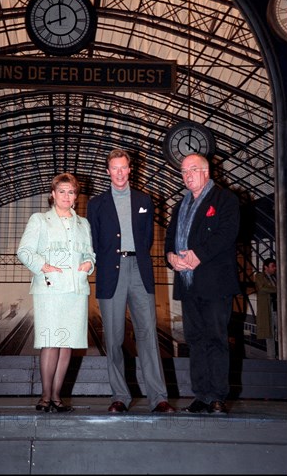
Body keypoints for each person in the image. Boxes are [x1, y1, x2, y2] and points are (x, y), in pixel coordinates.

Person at [87, 148, 175, 413]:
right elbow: (94, 241)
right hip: (110, 274)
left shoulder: (144, 200)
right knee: (113, 338)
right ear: (108, 171)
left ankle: (158, 396)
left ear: (130, 169)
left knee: (148, 335)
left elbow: (147, 239)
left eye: (124, 167)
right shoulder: (96, 204)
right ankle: (119, 397)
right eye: (115, 168)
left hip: (139, 270)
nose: (120, 173)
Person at [165, 154, 241, 415]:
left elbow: (226, 234)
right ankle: (201, 395)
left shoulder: (225, 199)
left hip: (215, 283)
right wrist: (171, 258)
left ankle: (218, 396)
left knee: (216, 338)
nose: (187, 175)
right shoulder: (180, 205)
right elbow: (169, 240)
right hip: (188, 283)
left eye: (193, 170)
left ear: (207, 172)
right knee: (195, 340)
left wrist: (198, 255)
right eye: (184, 171)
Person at [17, 173, 95, 413]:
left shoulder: (83, 223)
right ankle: (45, 396)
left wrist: (88, 264)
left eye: (71, 192)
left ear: (76, 196)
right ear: (52, 195)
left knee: (67, 345)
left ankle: (58, 397)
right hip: (50, 290)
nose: (66, 196)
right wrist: (42, 266)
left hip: (76, 291)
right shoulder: (39, 220)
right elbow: (24, 251)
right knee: (51, 343)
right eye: (61, 191)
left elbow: (90, 254)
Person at [254, 258, 278, 359]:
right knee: (269, 334)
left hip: (277, 309)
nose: (275, 268)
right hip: (268, 309)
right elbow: (262, 288)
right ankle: (271, 356)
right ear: (266, 267)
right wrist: (278, 289)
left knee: (278, 332)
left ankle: (276, 354)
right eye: (273, 266)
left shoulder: (275, 278)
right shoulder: (259, 276)